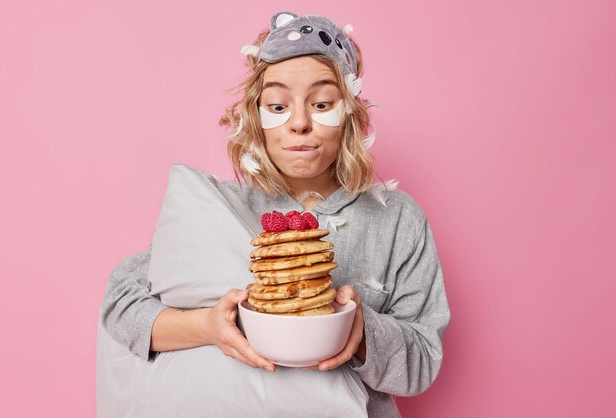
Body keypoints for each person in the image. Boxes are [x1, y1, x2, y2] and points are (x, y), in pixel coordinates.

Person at [100, 11, 450, 418]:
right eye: (278, 105)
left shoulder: (398, 221)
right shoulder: (221, 209)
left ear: (350, 114)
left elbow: (423, 361)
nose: (299, 122)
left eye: (321, 104)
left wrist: (362, 332)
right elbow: (120, 305)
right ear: (256, 118)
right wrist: (208, 327)